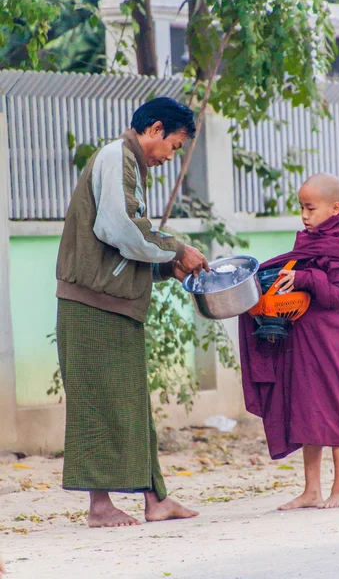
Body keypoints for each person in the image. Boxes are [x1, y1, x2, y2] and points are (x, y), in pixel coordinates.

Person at [56, 97, 209, 528]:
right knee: (96, 405)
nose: (171, 156)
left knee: (130, 404)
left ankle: (154, 498)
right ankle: (100, 507)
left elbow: (122, 244)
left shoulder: (131, 165)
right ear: (156, 130)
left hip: (114, 303)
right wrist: (179, 248)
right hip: (90, 304)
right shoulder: (115, 157)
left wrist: (168, 266)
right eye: (175, 146)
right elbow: (119, 229)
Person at [239, 173, 339, 510]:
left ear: (335, 208)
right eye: (301, 208)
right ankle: (311, 490)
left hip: (329, 343)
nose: (305, 216)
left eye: (311, 208)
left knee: (335, 409)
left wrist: (305, 277)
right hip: (302, 339)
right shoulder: (311, 241)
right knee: (306, 411)